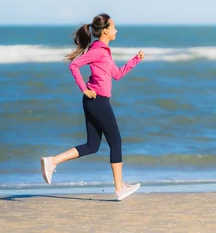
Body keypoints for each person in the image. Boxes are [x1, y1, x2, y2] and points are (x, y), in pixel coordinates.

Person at [40, 13, 144, 201]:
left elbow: (117, 74)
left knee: (92, 145)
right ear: (105, 31)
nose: (116, 30)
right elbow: (74, 66)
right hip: (97, 101)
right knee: (116, 142)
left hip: (96, 102)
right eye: (114, 27)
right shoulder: (98, 51)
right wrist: (85, 89)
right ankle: (119, 188)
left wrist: (135, 60)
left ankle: (52, 161)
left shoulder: (103, 52)